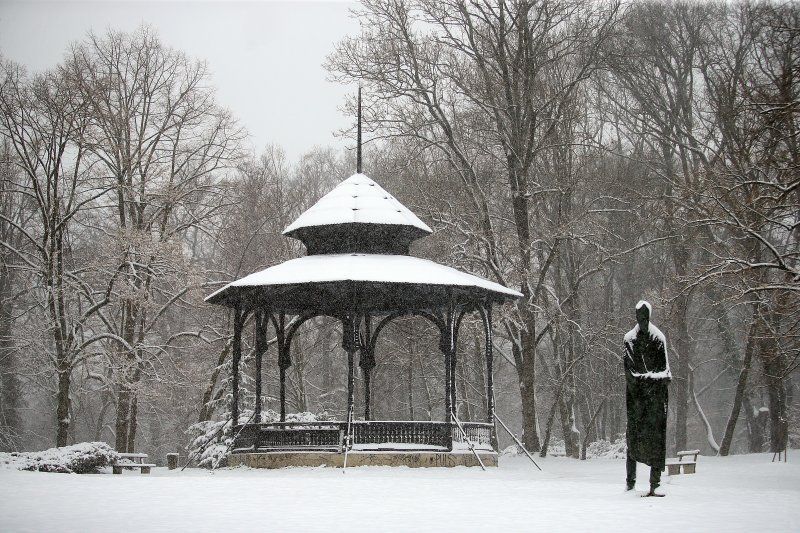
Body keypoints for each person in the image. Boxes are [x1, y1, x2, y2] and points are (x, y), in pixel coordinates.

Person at [624, 300, 671, 497]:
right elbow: (630, 374)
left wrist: (648, 382)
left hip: (655, 401)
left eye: (645, 317)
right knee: (633, 439)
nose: (642, 321)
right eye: (639, 317)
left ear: (649, 317)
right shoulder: (629, 340)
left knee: (656, 441)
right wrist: (647, 382)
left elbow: (665, 373)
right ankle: (630, 483)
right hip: (636, 400)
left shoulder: (658, 338)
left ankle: (655, 483)